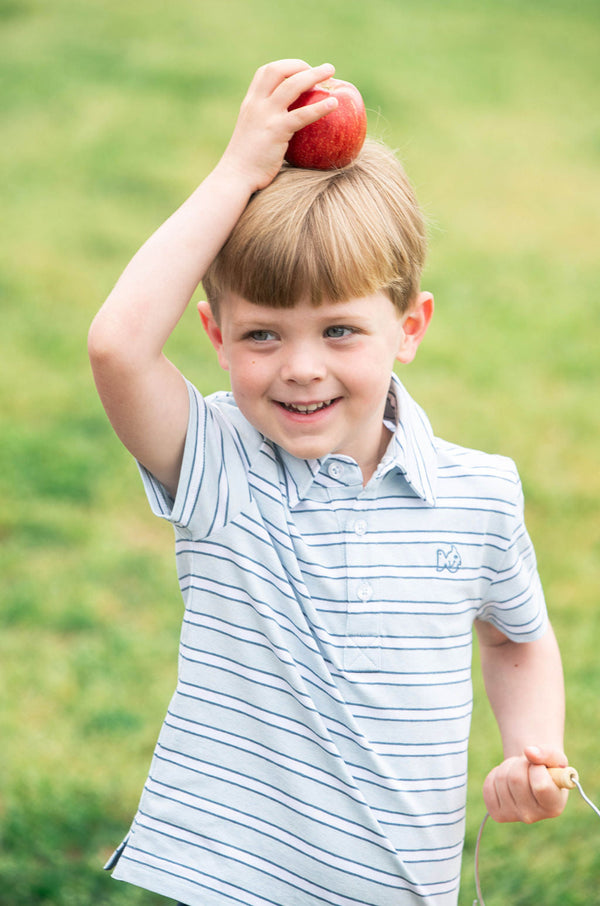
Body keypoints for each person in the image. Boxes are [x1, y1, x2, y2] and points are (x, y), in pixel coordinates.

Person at [88, 59, 568, 906]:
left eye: (341, 329)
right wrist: (239, 171)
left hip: (404, 887)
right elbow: (119, 347)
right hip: (234, 884)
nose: (301, 369)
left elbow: (516, 638)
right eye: (262, 336)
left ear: (410, 327)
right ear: (215, 333)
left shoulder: (479, 494)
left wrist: (533, 748)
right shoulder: (220, 463)